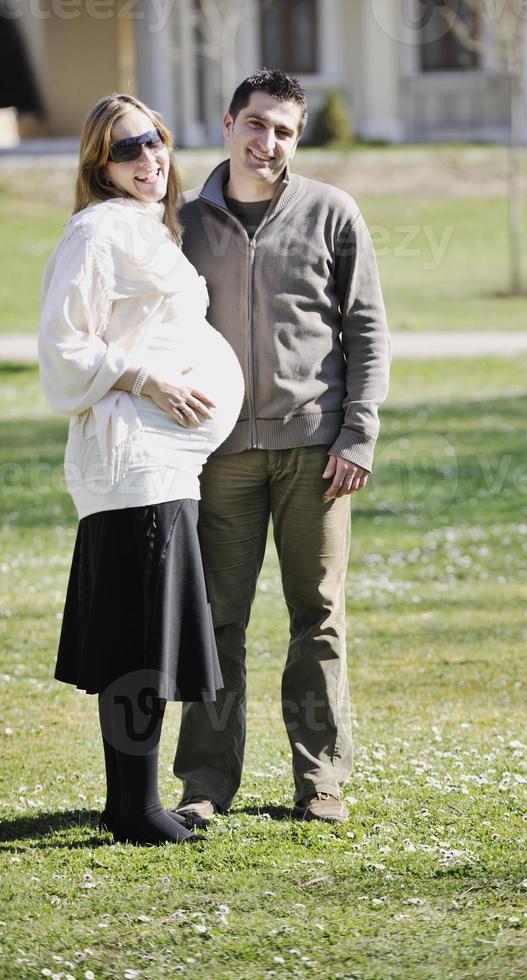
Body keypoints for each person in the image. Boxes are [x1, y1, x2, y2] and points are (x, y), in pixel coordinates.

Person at [173, 69, 391, 827]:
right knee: (216, 619)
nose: (269, 143)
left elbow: (367, 332)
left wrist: (357, 433)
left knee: (318, 615)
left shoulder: (333, 213)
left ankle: (321, 780)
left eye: (285, 131)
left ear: (298, 138)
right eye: (258, 125)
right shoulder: (183, 221)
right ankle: (203, 783)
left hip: (315, 451)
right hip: (218, 453)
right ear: (229, 122)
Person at [38, 93, 244, 846]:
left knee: (148, 638)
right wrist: (147, 380)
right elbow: (64, 351)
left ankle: (132, 799)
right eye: (127, 148)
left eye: (155, 140)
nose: (148, 159)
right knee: (137, 643)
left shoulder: (147, 230)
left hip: (166, 466)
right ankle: (136, 806)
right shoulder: (95, 233)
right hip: (131, 465)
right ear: (100, 163)